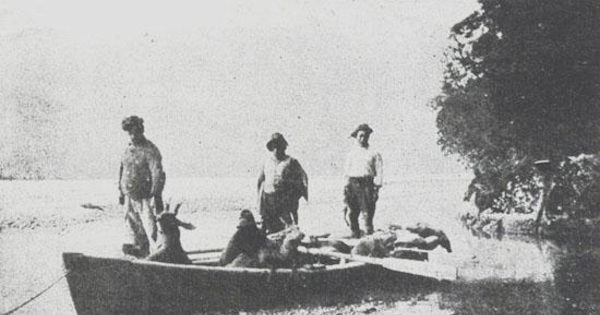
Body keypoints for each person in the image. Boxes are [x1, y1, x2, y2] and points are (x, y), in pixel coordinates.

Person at [119, 115, 166, 257]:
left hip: (146, 197)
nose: (132, 136)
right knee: (133, 228)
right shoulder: (128, 150)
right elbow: (122, 169)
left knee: (150, 229)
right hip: (129, 196)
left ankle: (156, 255)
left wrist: (156, 195)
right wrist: (121, 192)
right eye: (129, 133)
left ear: (141, 131)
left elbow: (157, 173)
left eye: (135, 132)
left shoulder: (150, 150)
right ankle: (140, 253)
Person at [257, 133, 308, 234]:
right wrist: (260, 199)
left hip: (285, 199)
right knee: (269, 226)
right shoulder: (267, 162)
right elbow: (261, 180)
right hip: (269, 199)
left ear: (284, 147)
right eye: (274, 146)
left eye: (279, 145)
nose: (276, 149)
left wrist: (296, 196)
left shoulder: (291, 161)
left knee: (289, 226)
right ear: (271, 148)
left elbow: (303, 178)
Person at [343, 124, 383, 238]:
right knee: (352, 213)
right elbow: (346, 172)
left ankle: (369, 236)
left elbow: (379, 171)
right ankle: (355, 235)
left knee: (367, 212)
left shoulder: (374, 153)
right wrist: (345, 187)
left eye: (365, 136)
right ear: (356, 137)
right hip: (352, 183)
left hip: (367, 184)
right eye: (360, 136)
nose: (363, 139)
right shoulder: (351, 153)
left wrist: (377, 188)